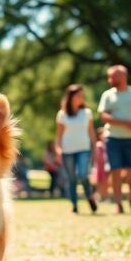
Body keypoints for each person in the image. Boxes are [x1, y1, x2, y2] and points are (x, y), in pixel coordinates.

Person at [98, 65, 131, 214]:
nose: (110, 79)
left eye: (113, 76)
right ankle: (118, 203)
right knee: (116, 171)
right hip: (112, 138)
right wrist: (125, 123)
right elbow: (103, 116)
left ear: (123, 76)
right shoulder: (107, 95)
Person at [55, 84, 98, 214]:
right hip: (68, 150)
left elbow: (91, 132)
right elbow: (59, 136)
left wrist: (95, 148)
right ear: (71, 97)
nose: (81, 98)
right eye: (78, 95)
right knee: (72, 179)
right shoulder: (62, 114)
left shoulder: (87, 113)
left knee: (83, 174)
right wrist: (58, 149)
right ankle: (74, 205)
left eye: (82, 95)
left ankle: (89, 196)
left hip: (84, 149)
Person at [93, 127, 110, 202]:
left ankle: (104, 197)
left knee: (106, 183)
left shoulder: (105, 144)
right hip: (100, 167)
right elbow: (98, 157)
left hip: (105, 166)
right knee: (101, 184)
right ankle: (97, 197)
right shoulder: (99, 145)